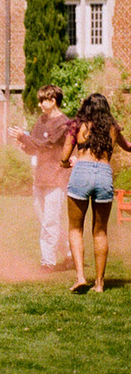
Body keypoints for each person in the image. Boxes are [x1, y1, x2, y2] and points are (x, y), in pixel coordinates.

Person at [60, 93, 131, 293]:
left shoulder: (77, 126)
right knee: (100, 231)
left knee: (75, 229)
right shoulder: (113, 128)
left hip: (81, 172)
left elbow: (65, 155)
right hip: (103, 174)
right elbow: (128, 147)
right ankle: (99, 284)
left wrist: (64, 163)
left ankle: (81, 277)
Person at [9, 85, 72, 271]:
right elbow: (33, 148)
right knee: (45, 221)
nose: (39, 105)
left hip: (56, 178)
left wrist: (25, 137)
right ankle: (69, 254)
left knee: (50, 222)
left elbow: (47, 145)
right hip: (40, 178)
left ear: (52, 101)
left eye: (42, 101)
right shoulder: (41, 120)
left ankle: (48, 262)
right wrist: (23, 143)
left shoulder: (64, 124)